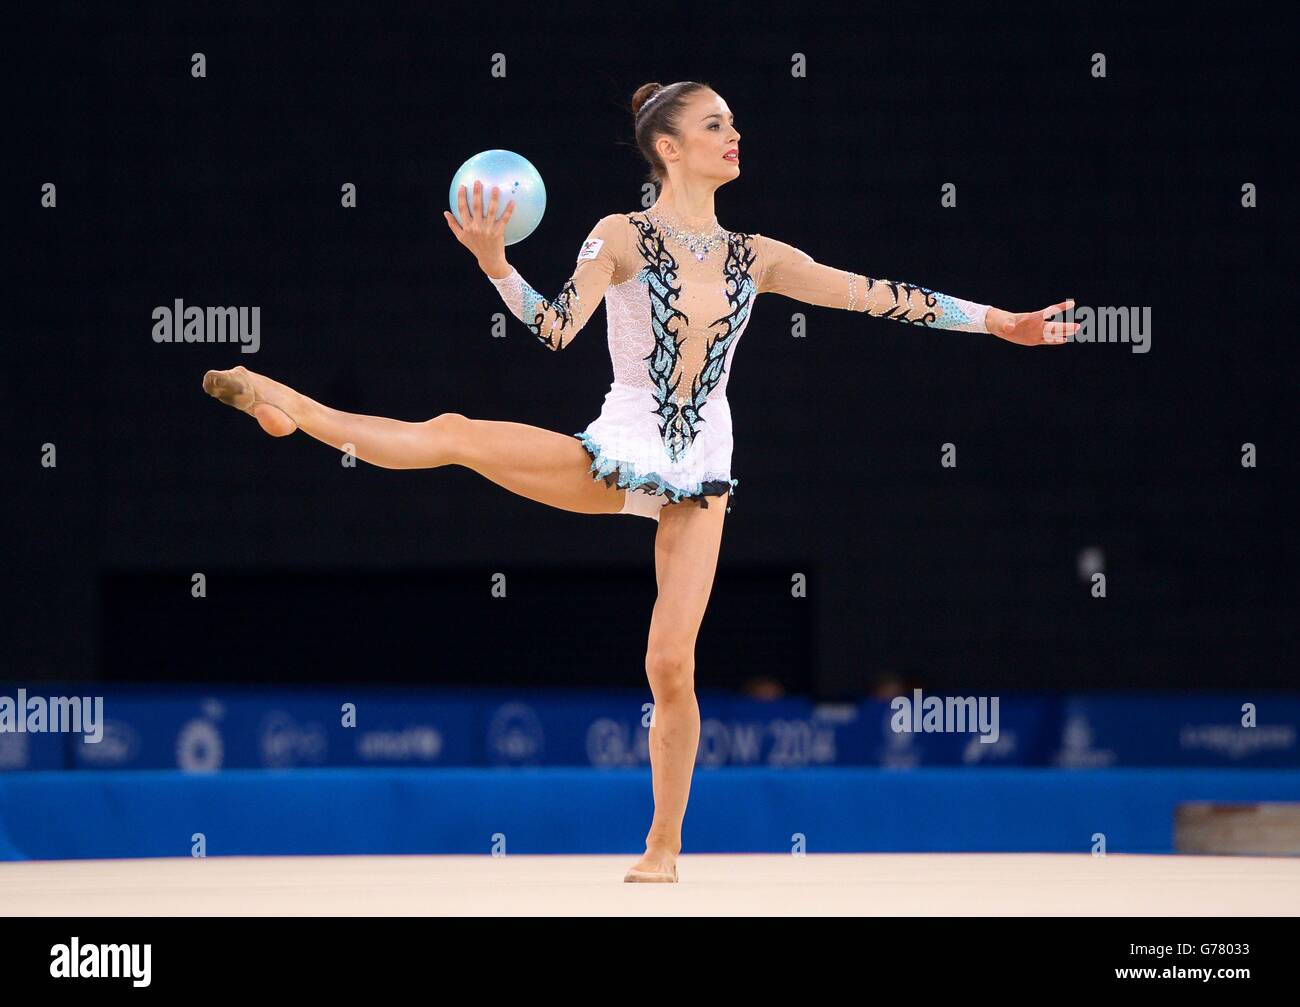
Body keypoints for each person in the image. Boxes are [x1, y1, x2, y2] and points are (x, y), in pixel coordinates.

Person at [203, 79, 1077, 884]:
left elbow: (877, 293)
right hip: (620, 442)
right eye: (715, 125)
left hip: (700, 469)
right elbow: (554, 330)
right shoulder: (621, 235)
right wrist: (498, 265)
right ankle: (293, 408)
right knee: (456, 435)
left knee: (670, 662)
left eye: (733, 123)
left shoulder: (755, 255)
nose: (735, 135)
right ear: (668, 147)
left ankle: (663, 846)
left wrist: (999, 321)